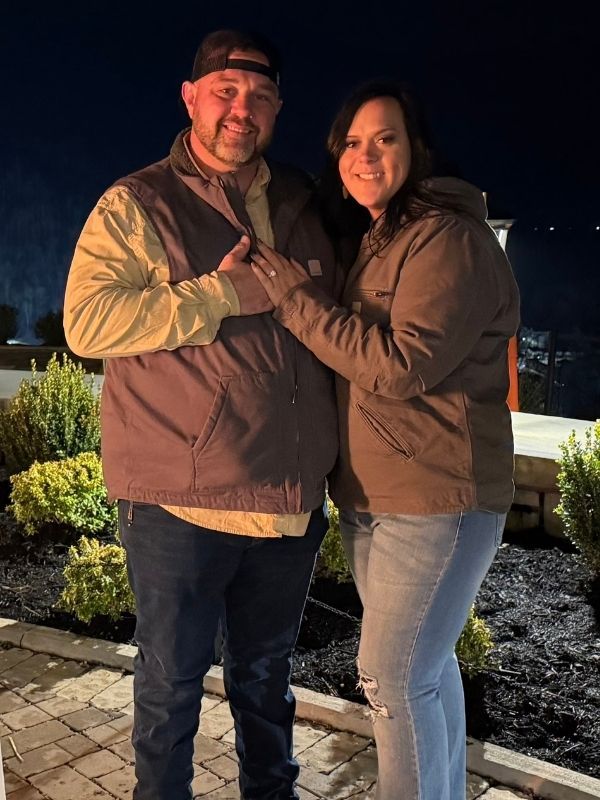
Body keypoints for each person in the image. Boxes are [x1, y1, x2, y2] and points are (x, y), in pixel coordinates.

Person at [63, 29, 339, 800]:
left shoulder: (303, 201)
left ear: (278, 108)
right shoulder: (137, 202)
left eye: (258, 96)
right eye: (224, 91)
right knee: (170, 691)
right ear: (191, 99)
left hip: (287, 506)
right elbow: (87, 322)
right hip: (179, 506)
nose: (239, 110)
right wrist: (218, 297)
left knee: (266, 686)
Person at [249, 80, 520, 800]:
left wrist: (294, 304)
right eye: (352, 143)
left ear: (416, 149)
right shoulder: (381, 240)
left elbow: (401, 367)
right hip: (385, 497)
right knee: (424, 671)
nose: (365, 155)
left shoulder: (446, 240)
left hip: (437, 498)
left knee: (392, 676)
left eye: (385, 138)